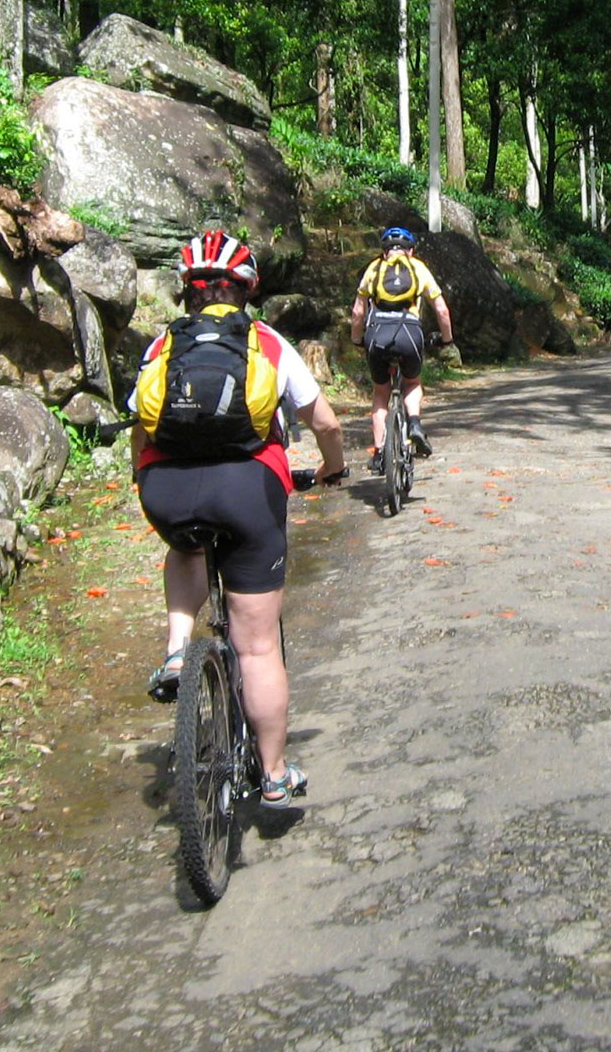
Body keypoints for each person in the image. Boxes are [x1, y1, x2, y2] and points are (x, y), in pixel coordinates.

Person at [131, 230, 346, 808]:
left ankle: (179, 648)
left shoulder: (161, 345)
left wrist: (146, 483)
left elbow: (140, 428)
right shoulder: (267, 342)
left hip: (169, 489)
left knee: (185, 546)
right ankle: (273, 773)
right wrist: (331, 469)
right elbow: (324, 422)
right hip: (247, 488)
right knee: (256, 650)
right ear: (246, 289)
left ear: (188, 292)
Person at [351, 226, 454, 472]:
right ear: (411, 250)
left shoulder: (374, 269)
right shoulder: (418, 267)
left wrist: (357, 340)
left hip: (377, 334)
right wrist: (447, 340)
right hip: (409, 333)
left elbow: (357, 312)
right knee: (412, 383)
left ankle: (378, 453)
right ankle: (415, 424)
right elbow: (441, 310)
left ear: (384, 252)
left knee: (380, 393)